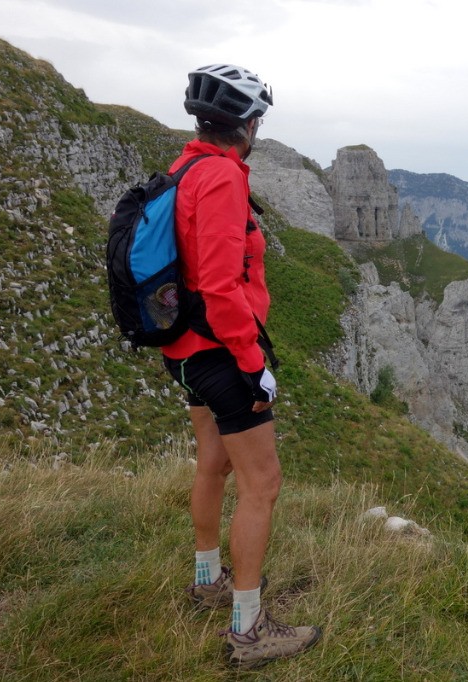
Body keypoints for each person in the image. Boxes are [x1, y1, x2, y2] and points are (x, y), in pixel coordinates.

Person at [161, 63, 321, 669]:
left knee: (213, 464)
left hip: (184, 350)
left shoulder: (184, 169)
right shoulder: (224, 179)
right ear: (247, 124)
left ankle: (208, 580)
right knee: (264, 483)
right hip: (221, 351)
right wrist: (254, 365)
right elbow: (225, 287)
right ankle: (249, 630)